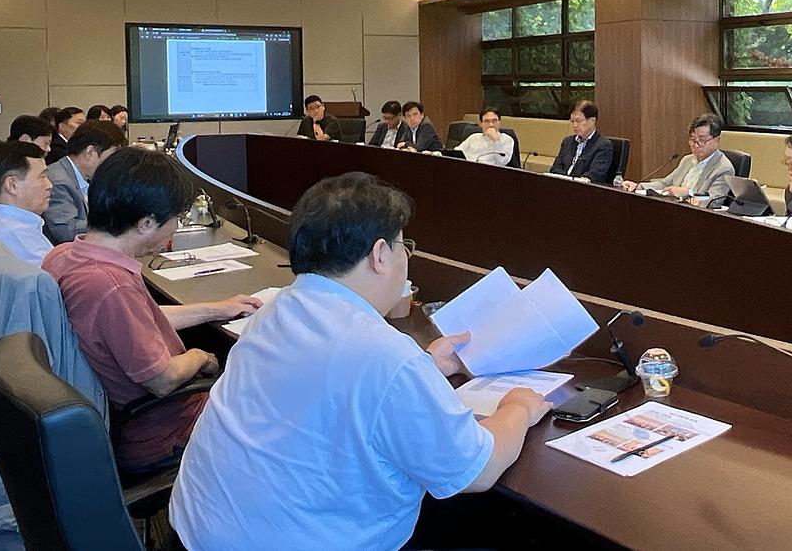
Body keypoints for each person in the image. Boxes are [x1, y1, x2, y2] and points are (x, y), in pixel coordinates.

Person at [168, 173, 551, 550]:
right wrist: (518, 407)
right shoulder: (386, 356)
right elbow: (478, 470)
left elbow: (332, 386)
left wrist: (425, 365)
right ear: (380, 254)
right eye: (404, 246)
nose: (406, 257)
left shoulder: (277, 311)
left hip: (194, 533)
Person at [43, 147, 262, 471]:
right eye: (176, 218)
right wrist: (200, 357)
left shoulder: (65, 255)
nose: (176, 226)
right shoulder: (110, 285)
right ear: (146, 223)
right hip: (163, 431)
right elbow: (163, 379)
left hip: (131, 415)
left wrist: (217, 309)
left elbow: (135, 322)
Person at [44, 120, 128, 243]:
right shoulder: (58, 181)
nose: (114, 165)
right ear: (90, 152)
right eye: (112, 158)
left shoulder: (82, 175)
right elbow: (67, 231)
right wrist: (118, 222)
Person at [622, 113, 735, 199]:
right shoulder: (687, 160)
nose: (696, 145)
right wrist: (639, 186)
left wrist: (688, 192)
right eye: (693, 140)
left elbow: (713, 199)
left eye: (702, 140)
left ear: (717, 140)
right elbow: (665, 184)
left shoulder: (723, 168)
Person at [0, 141, 54, 264]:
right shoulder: (14, 236)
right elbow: (67, 276)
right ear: (12, 185)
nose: (49, 185)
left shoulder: (3, 227)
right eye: (42, 177)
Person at [549, 100, 613, 183]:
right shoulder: (567, 142)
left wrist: (570, 180)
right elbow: (555, 169)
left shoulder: (603, 146)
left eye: (578, 121)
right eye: (573, 121)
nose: (575, 125)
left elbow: (594, 176)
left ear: (592, 120)